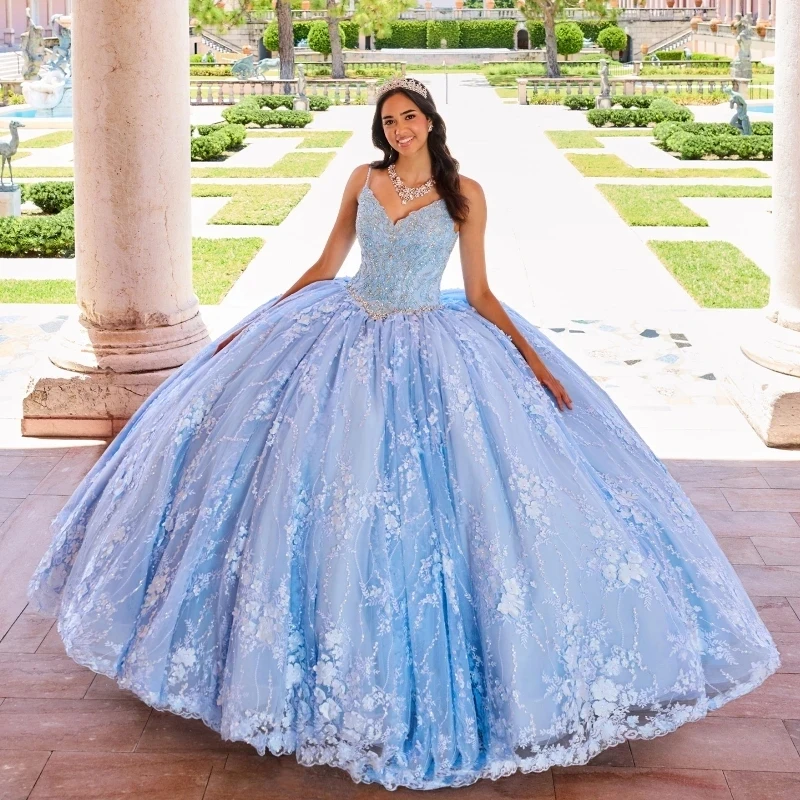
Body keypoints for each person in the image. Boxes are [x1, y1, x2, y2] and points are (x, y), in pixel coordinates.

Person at [28, 77, 779, 791]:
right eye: (388, 121)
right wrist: (258, 319)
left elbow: (480, 293)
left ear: (431, 121)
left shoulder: (465, 195)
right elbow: (327, 263)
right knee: (316, 487)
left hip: (432, 340)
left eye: (408, 117)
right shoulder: (361, 178)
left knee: (451, 505)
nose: (399, 129)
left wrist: (533, 364)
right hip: (345, 331)